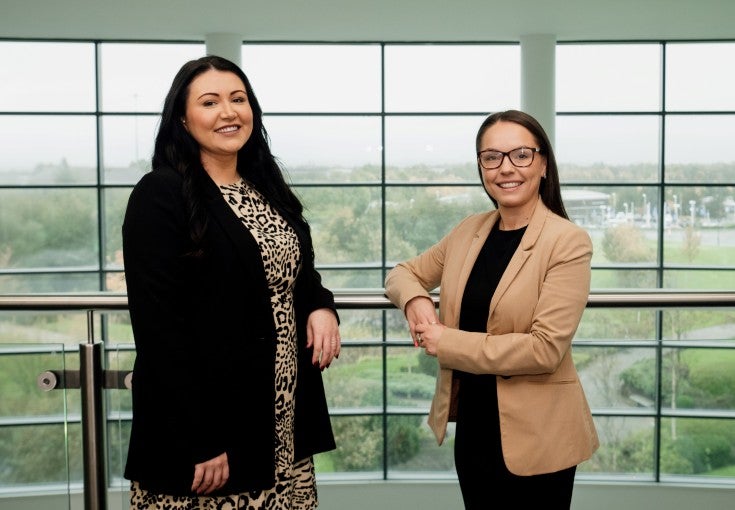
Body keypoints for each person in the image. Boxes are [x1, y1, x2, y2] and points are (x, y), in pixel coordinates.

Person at [122, 55, 341, 509]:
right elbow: (159, 328)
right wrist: (199, 436)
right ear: (183, 118)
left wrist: (319, 303)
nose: (228, 112)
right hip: (210, 431)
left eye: (238, 99)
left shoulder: (263, 185)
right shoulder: (160, 194)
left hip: (280, 422)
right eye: (210, 102)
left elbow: (296, 264)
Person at [384, 109, 599, 508]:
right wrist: (415, 300)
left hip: (538, 438)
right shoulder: (470, 230)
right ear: (481, 166)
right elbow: (402, 272)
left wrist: (446, 342)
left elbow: (544, 350)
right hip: (474, 427)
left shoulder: (567, 242)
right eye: (491, 157)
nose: (505, 168)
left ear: (543, 164)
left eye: (520, 155)